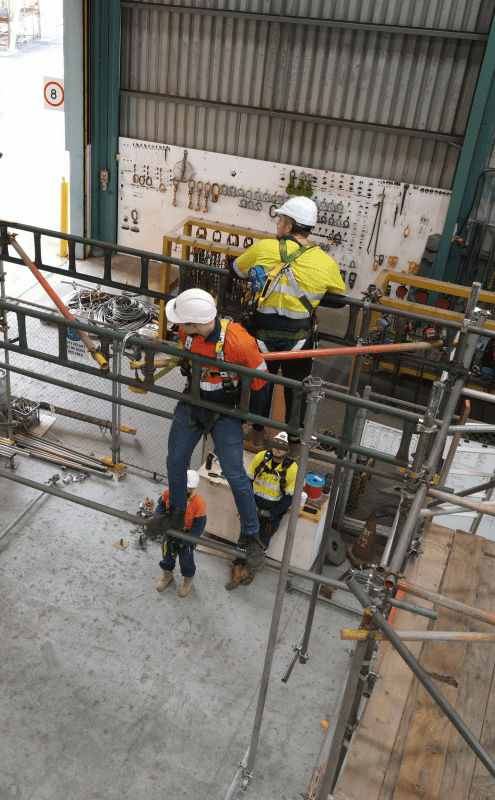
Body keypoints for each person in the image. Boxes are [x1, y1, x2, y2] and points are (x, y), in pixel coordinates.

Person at [140, 288, 269, 571]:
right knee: (175, 460)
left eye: (181, 323)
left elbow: (261, 384)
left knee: (236, 475)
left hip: (225, 412)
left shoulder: (241, 343)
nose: (177, 328)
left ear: (196, 324)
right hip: (193, 403)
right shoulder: (188, 334)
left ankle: (252, 536)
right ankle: (176, 513)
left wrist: (252, 421)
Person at [232, 196, 345, 449]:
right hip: (300, 338)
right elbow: (339, 297)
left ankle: (258, 429)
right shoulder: (324, 262)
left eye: (281, 220)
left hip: (262, 333)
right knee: (297, 387)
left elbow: (235, 270)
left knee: (262, 381)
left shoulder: (264, 249)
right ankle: (295, 439)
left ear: (289, 227)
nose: (278, 224)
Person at [227, 431, 298, 590]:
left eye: (282, 446)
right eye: (275, 443)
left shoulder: (292, 469)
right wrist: (248, 507)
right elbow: (247, 482)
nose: (277, 449)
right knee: (244, 538)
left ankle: (250, 570)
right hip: (252, 508)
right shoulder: (260, 457)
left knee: (261, 542)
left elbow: (289, 498)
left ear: (288, 450)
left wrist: (270, 514)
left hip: (271, 516)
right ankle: (238, 568)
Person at [156, 471, 206, 597]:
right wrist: (156, 522)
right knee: (167, 557)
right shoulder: (169, 492)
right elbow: (161, 507)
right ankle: (167, 575)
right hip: (169, 532)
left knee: (186, 561)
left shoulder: (198, 503)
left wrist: (188, 540)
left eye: (190, 488)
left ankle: (187, 579)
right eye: (186, 487)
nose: (188, 490)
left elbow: (199, 525)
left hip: (186, 536)